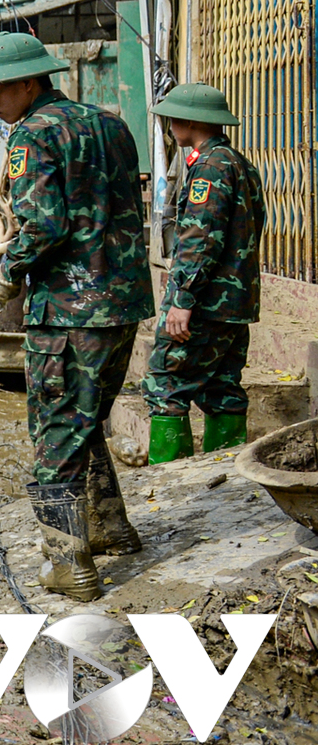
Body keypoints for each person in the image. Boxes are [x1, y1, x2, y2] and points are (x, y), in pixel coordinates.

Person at [0, 33, 153, 602]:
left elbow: (46, 226)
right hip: (119, 303)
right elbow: (93, 207)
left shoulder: (31, 136)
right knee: (86, 417)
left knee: (53, 431)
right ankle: (111, 528)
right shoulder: (110, 125)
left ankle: (68, 566)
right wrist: (11, 250)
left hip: (70, 308)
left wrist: (8, 273)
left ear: (29, 83)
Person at [142, 83, 263, 463]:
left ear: (191, 120)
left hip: (207, 303)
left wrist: (182, 300)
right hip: (233, 303)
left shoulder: (210, 168)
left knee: (165, 385)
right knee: (223, 388)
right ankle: (226, 482)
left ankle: (166, 487)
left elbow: (199, 239)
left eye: (173, 116)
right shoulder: (238, 162)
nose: (169, 124)